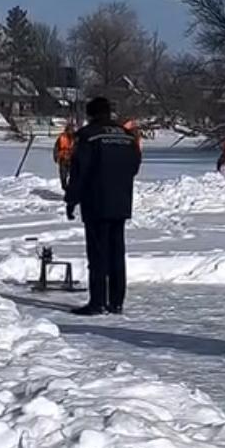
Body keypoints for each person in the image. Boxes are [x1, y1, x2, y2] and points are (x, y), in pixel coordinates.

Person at [64, 97, 143, 315]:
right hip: (121, 202)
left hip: (96, 202)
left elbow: (80, 172)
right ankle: (116, 302)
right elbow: (135, 165)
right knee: (117, 252)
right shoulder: (127, 137)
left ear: (90, 114)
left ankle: (97, 302)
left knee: (98, 253)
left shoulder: (89, 136)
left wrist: (72, 200)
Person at [53, 122, 76, 190]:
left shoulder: (77, 138)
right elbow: (56, 148)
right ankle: (65, 186)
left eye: (72, 129)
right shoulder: (61, 137)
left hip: (73, 159)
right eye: (69, 129)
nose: (70, 131)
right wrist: (56, 156)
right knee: (63, 176)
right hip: (63, 159)